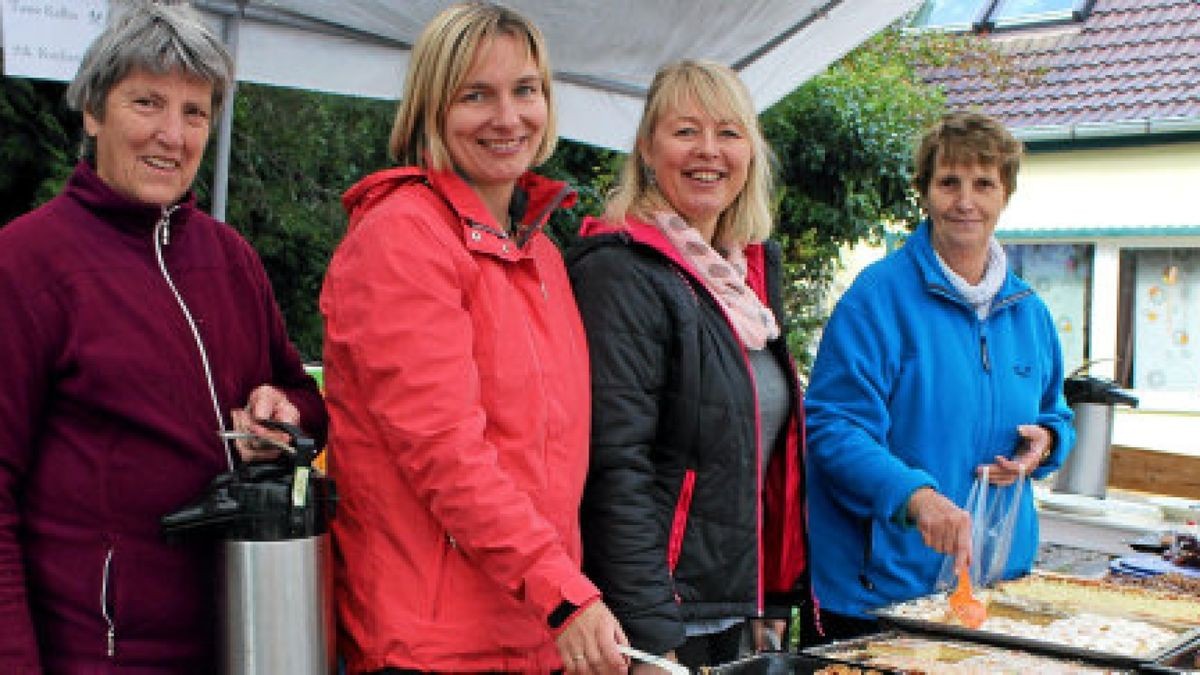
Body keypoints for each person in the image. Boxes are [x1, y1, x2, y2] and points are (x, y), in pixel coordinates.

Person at [0, 1, 328, 672]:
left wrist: (286, 412)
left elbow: (305, 399)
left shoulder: (232, 259)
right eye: (147, 102)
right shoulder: (25, 262)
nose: (172, 135)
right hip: (100, 654)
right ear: (93, 111)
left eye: (195, 111)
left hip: (249, 638)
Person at [320, 3, 627, 673]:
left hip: (530, 634)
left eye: (525, 90)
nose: (508, 117)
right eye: (476, 95)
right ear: (433, 108)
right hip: (429, 646)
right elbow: (446, 451)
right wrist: (562, 592)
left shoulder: (540, 251)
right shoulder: (400, 236)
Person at [567, 60, 808, 671]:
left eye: (728, 132)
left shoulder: (740, 278)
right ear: (648, 146)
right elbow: (614, 467)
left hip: (723, 607)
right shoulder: (620, 271)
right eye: (685, 131)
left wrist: (767, 595)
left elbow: (752, 458)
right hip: (654, 617)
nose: (709, 151)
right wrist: (651, 638)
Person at [803, 110, 1075, 641]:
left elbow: (1054, 411)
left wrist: (1046, 442)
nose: (965, 201)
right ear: (924, 192)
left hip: (992, 587)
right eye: (949, 182)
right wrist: (915, 497)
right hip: (881, 595)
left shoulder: (1029, 312)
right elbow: (833, 428)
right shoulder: (877, 298)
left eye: (983, 184)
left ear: (1005, 195)